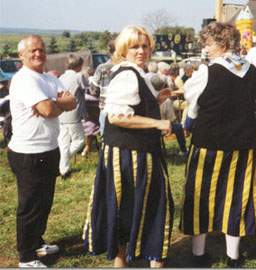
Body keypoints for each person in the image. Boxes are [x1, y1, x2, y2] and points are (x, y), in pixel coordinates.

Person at [82, 25, 174, 268]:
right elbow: (116, 117)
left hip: (133, 152)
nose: (141, 51)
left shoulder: (135, 72)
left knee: (127, 209)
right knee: (141, 209)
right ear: (124, 49)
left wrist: (159, 98)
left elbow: (134, 105)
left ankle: (125, 261)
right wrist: (157, 121)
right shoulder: (126, 74)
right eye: (135, 46)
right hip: (129, 155)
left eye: (145, 46)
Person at [181, 21, 256, 267]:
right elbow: (252, 103)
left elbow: (191, 104)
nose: (205, 48)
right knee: (237, 196)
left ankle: (198, 254)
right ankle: (233, 256)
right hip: (243, 145)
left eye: (208, 43)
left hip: (209, 145)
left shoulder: (207, 71)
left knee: (201, 196)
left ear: (222, 43)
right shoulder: (253, 70)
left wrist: (190, 121)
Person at [7, 35, 76, 268]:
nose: (38, 54)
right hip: (28, 153)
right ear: (22, 55)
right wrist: (56, 104)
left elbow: (72, 102)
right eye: (33, 50)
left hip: (50, 148)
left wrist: (55, 105)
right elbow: (48, 109)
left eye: (41, 50)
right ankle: (26, 257)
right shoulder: (24, 79)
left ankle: (37, 242)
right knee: (30, 206)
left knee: (44, 203)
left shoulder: (47, 78)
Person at [58, 54, 87, 178]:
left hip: (61, 113)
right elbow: (87, 88)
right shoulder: (78, 76)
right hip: (74, 114)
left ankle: (63, 169)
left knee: (63, 141)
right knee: (79, 141)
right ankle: (63, 160)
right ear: (79, 65)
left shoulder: (61, 77)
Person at [89, 40, 115, 136]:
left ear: (109, 51)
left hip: (106, 106)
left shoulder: (102, 68)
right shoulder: (127, 66)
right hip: (124, 110)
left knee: (106, 138)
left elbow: (93, 89)